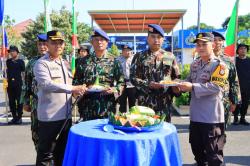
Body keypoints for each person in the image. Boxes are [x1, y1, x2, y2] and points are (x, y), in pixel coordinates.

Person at [34, 30, 86, 166]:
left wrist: (75, 92)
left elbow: (67, 85)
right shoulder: (41, 64)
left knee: (62, 153)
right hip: (50, 118)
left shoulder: (65, 63)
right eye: (54, 43)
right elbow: (47, 84)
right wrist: (73, 88)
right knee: (46, 155)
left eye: (60, 43)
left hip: (66, 116)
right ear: (47, 44)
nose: (58, 46)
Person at [178, 32, 228, 166]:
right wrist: (178, 84)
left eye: (204, 44)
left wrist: (192, 87)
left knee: (214, 156)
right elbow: (189, 80)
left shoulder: (220, 65)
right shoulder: (195, 64)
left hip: (211, 117)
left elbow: (216, 86)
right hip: (195, 116)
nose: (200, 47)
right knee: (198, 153)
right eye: (198, 45)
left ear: (212, 45)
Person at [130, 24, 181, 122]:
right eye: (153, 37)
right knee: (145, 130)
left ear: (163, 39)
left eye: (159, 37)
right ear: (147, 38)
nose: (156, 40)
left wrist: (176, 87)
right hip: (145, 103)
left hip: (165, 103)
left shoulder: (170, 56)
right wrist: (148, 84)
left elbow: (176, 77)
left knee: (164, 130)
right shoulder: (139, 56)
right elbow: (133, 78)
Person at [73, 28, 124, 121]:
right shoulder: (83, 61)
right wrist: (81, 89)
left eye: (102, 39)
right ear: (92, 42)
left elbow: (122, 83)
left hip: (107, 106)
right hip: (86, 106)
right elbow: (76, 81)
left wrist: (114, 89)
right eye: (96, 39)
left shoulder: (114, 61)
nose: (99, 42)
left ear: (107, 42)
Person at [21, 34, 48, 151]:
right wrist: (25, 101)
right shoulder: (32, 62)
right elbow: (26, 84)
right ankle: (40, 157)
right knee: (36, 131)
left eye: (45, 44)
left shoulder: (56, 61)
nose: (42, 46)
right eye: (40, 44)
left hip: (53, 105)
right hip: (37, 103)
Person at [212, 31, 241, 128]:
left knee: (221, 129)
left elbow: (234, 81)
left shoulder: (228, 61)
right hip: (206, 100)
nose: (217, 42)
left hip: (223, 101)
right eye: (214, 40)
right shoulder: (201, 59)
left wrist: (234, 101)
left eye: (219, 40)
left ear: (223, 42)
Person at [6, 45, 25, 124]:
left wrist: (24, 83)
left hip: (18, 84)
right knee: (11, 102)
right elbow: (6, 72)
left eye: (13, 51)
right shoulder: (8, 61)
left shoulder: (21, 62)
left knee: (19, 101)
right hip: (10, 84)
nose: (11, 53)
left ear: (17, 52)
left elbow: (23, 73)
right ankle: (14, 117)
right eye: (10, 51)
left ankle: (19, 117)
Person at [117, 44, 136, 113]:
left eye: (128, 50)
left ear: (131, 51)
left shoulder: (135, 59)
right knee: (122, 103)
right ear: (122, 51)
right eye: (124, 50)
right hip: (122, 84)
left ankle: (133, 120)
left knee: (133, 104)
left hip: (132, 84)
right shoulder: (118, 59)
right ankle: (122, 120)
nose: (126, 52)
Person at [234, 43, 250, 125]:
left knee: (245, 103)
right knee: (236, 102)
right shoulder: (234, 60)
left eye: (245, 48)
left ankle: (242, 118)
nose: (243, 50)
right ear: (237, 50)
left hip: (247, 86)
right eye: (241, 48)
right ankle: (235, 118)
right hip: (236, 86)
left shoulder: (249, 60)